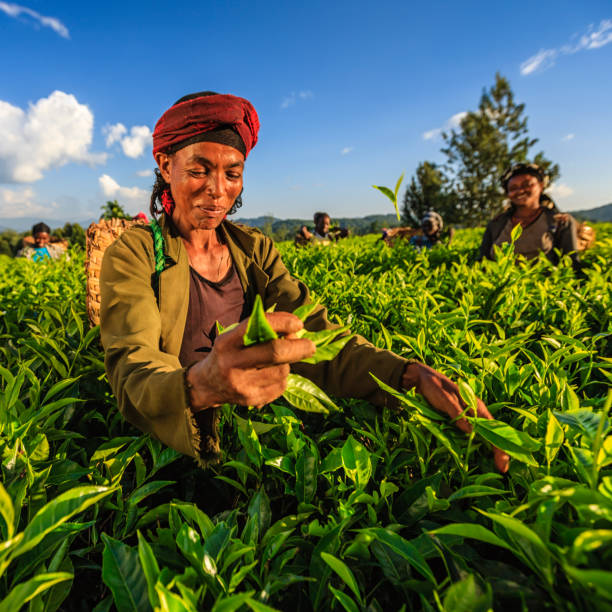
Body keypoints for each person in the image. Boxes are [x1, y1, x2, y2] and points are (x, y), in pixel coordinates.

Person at [99, 91, 509, 473]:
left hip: (259, 446)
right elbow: (132, 367)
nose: (217, 191)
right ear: (166, 166)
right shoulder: (136, 253)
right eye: (198, 170)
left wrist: (408, 375)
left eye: (232, 173)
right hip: (175, 452)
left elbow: (314, 333)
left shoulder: (253, 249)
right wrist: (200, 384)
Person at [478, 163, 579, 268]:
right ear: (507, 193)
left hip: (543, 283)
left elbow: (571, 265)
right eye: (513, 188)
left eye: (527, 185)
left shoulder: (560, 221)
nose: (520, 191)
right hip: (501, 282)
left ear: (541, 185)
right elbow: (483, 262)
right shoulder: (496, 224)